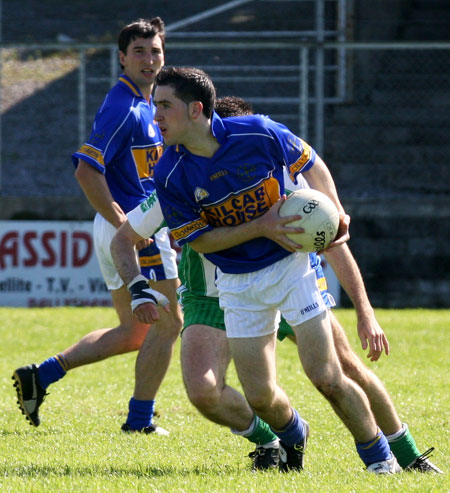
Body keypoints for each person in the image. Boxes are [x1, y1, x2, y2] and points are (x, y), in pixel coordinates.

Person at [110, 97, 441, 474]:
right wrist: (137, 286)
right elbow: (125, 239)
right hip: (216, 294)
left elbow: (331, 243)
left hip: (287, 276)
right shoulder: (175, 180)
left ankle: (405, 454)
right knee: (207, 392)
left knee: (341, 370)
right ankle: (276, 437)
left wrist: (365, 312)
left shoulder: (278, 175)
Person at [12, 18, 183, 435]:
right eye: (139, 51)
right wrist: (125, 225)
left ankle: (43, 375)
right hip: (130, 229)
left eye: (155, 50)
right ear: (122, 58)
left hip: (119, 229)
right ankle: (140, 421)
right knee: (169, 324)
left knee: (132, 332)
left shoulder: (148, 103)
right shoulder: (123, 107)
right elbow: (87, 171)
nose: (148, 59)